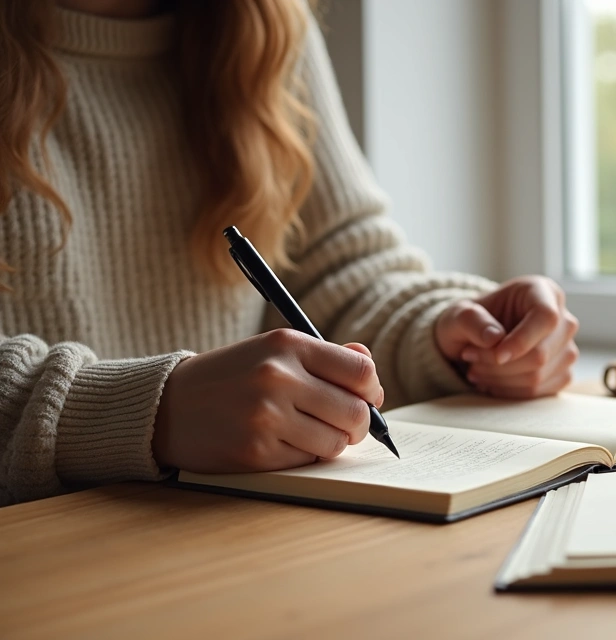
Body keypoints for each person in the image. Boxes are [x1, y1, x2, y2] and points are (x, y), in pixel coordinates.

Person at [0, 0, 579, 506]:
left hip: (221, 537)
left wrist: (452, 333)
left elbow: (337, 273)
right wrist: (146, 413)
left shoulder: (262, 24)